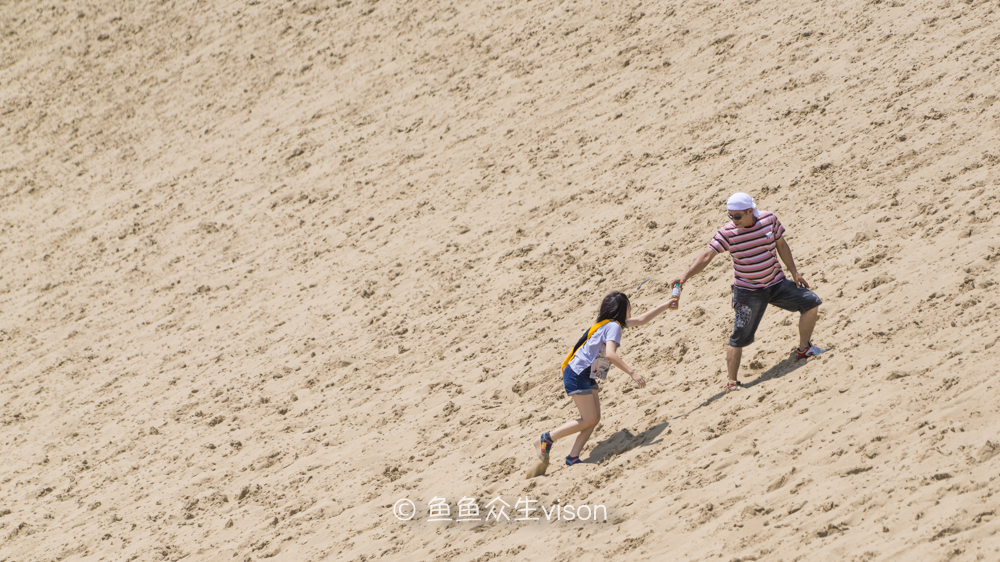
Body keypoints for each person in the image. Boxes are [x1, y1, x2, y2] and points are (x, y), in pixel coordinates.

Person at [672, 192, 824, 392]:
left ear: (750, 211)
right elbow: (707, 256)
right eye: (730, 216)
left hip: (776, 283)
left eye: (737, 216)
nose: (733, 220)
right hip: (748, 291)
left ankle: (804, 349)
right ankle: (732, 383)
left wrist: (794, 272)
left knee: (811, 302)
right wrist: (684, 277)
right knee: (739, 336)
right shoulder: (728, 233)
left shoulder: (769, 219)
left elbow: (781, 245)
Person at [530, 291, 676, 476]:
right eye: (629, 306)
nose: (631, 309)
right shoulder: (613, 327)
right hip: (577, 374)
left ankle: (572, 457)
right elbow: (610, 354)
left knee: (594, 418)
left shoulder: (612, 324)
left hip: (586, 373)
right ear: (622, 309)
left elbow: (641, 320)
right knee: (589, 419)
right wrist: (633, 373)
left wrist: (666, 305)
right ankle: (547, 438)